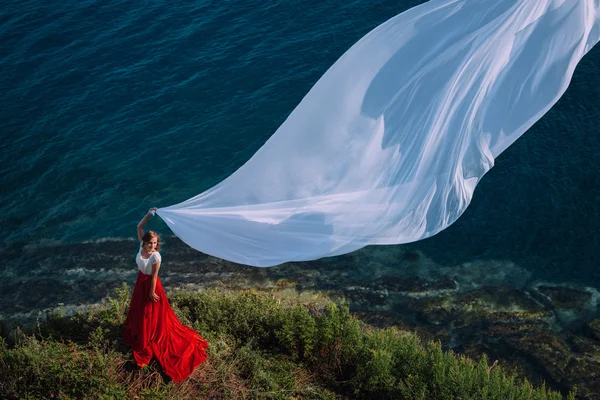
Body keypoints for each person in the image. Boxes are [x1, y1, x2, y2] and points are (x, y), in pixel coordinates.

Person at [123, 207, 209, 382]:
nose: (153, 246)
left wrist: (151, 292)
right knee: (140, 311)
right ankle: (143, 332)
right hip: (140, 282)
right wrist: (149, 213)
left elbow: (154, 276)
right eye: (151, 243)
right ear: (145, 242)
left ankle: (150, 336)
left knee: (151, 313)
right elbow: (139, 227)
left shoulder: (156, 257)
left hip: (150, 285)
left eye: (155, 243)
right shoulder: (141, 245)